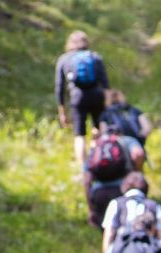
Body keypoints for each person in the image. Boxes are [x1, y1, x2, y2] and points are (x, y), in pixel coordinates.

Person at [55, 31, 110, 168]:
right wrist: (108, 104)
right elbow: (105, 83)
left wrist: (62, 111)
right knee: (98, 129)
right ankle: (98, 161)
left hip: (77, 98)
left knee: (79, 135)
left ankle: (84, 170)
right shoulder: (95, 57)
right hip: (97, 96)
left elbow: (59, 87)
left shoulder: (64, 59)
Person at [83, 122, 135, 229]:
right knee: (123, 229)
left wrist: (91, 210)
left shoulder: (97, 146)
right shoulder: (123, 143)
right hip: (121, 192)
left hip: (99, 194)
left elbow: (87, 181)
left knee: (106, 231)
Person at [102, 88, 152, 154]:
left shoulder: (105, 114)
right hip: (134, 144)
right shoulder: (135, 110)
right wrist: (139, 137)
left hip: (113, 145)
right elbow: (147, 129)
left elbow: (103, 133)